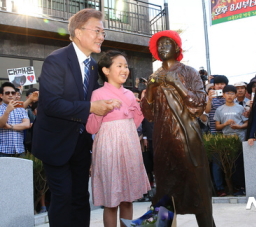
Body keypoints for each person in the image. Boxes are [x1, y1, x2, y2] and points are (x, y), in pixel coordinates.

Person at [32, 9, 118, 227]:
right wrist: (91, 107)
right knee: (62, 198)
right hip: (55, 143)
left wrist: (119, 98)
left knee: (81, 198)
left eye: (103, 33)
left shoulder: (91, 64)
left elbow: (94, 95)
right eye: (97, 31)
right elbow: (51, 104)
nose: (101, 36)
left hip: (80, 144)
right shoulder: (56, 60)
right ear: (79, 32)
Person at [141, 30, 215, 227]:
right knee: (165, 191)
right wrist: (150, 89)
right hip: (162, 141)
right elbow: (148, 114)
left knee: (198, 188)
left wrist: (178, 85)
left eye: (168, 43)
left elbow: (199, 104)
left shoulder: (189, 72)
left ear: (177, 48)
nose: (163, 47)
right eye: (160, 45)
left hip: (187, 137)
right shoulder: (154, 76)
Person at [86, 50, 150, 226]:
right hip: (109, 148)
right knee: (111, 201)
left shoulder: (130, 94)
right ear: (106, 70)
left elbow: (134, 124)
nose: (125, 69)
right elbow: (91, 127)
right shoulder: (97, 94)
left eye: (126, 66)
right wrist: (102, 110)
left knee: (128, 199)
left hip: (129, 146)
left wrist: (140, 109)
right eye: (119, 66)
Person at [214, 85, 248, 196]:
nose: (230, 95)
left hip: (239, 139)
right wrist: (225, 124)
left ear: (236, 95)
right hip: (226, 141)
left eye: (232, 93)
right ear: (223, 95)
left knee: (239, 164)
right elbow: (217, 127)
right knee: (229, 165)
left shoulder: (240, 108)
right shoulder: (219, 109)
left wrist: (239, 127)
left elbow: (246, 123)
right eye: (227, 93)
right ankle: (232, 188)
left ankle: (241, 187)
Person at [205, 75, 228, 197]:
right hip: (215, 133)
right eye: (218, 83)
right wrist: (209, 99)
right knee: (217, 163)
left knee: (230, 161)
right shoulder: (211, 98)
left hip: (229, 132)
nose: (221, 86)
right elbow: (207, 111)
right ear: (214, 85)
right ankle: (219, 188)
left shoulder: (229, 96)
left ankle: (230, 186)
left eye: (223, 84)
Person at [0, 82, 30, 157]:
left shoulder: (21, 109)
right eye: (7, 93)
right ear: (1, 95)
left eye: (13, 93)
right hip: (2, 151)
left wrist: (10, 126)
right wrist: (7, 111)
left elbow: (27, 124)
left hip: (19, 150)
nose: (10, 95)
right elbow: (1, 124)